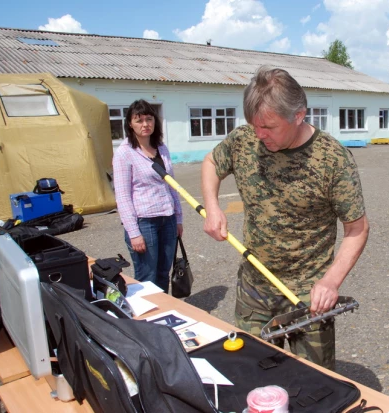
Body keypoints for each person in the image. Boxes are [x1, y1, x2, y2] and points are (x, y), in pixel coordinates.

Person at [201, 65, 369, 370]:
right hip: (254, 287)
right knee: (250, 373)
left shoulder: (333, 159)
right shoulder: (244, 140)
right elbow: (212, 162)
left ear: (299, 115)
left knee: (314, 383)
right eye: (254, 125)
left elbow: (357, 229)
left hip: (308, 296)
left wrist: (331, 281)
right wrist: (212, 206)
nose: (259, 134)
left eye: (269, 127)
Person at [113, 99, 183, 293]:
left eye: (149, 119)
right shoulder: (124, 153)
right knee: (147, 276)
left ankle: (162, 314)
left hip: (167, 219)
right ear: (130, 124)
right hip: (144, 223)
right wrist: (134, 233)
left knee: (163, 273)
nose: (145, 124)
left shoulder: (161, 148)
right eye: (139, 120)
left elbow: (172, 186)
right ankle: (143, 320)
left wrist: (178, 219)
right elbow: (123, 196)